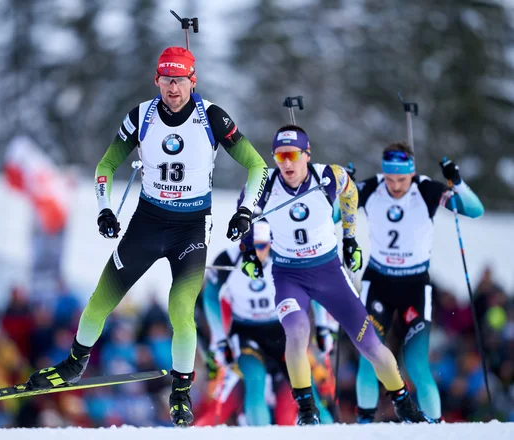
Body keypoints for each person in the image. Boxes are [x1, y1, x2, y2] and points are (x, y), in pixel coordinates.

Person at [22, 46, 268, 427]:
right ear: (157, 80)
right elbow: (106, 164)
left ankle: (181, 392)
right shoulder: (141, 116)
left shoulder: (212, 116)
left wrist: (245, 211)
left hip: (190, 227)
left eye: (180, 80)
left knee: (181, 312)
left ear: (192, 81)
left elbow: (257, 165)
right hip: (147, 223)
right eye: (167, 80)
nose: (173, 88)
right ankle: (74, 364)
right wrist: (104, 207)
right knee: (100, 300)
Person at [241, 124, 433, 425]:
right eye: (279, 156)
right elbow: (246, 215)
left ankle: (403, 403)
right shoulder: (265, 184)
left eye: (292, 155)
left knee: (370, 344)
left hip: (328, 272)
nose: (286, 163)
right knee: (297, 332)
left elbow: (350, 192)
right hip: (289, 275)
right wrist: (249, 253)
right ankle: (307, 410)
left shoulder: (328, 176)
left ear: (307, 154)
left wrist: (350, 238)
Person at [354, 143, 484, 423]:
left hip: (414, 287)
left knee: (416, 365)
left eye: (402, 179)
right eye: (391, 179)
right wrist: (341, 189)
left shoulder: (425, 189)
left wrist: (458, 183)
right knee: (368, 358)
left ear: (412, 174)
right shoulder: (371, 187)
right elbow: (332, 215)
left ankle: (434, 427)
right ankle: (362, 426)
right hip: (378, 284)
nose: (396, 186)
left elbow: (474, 210)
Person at [201, 220, 335, 425]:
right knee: (255, 379)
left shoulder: (285, 257)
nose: (256, 253)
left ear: (271, 244)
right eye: (250, 247)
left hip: (280, 330)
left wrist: (323, 326)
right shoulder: (228, 258)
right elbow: (210, 295)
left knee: (306, 387)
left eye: (261, 246)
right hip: (245, 331)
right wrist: (220, 340)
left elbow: (313, 288)